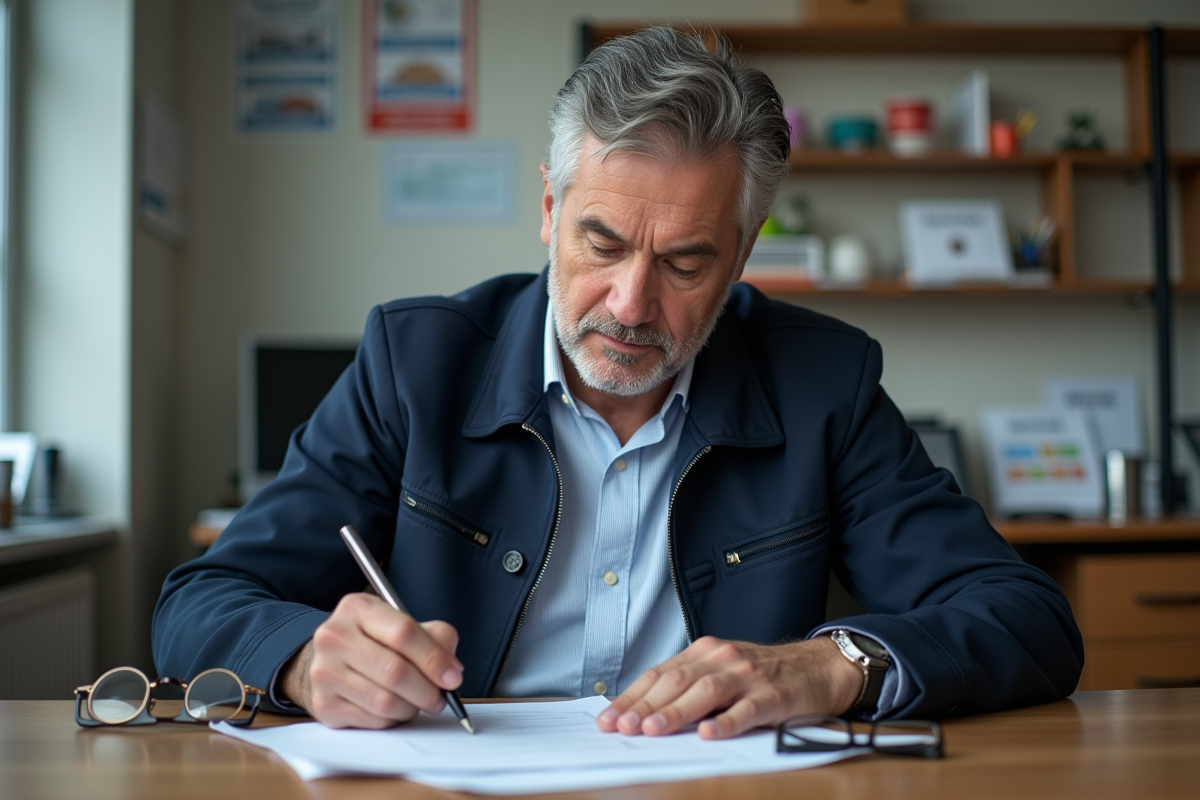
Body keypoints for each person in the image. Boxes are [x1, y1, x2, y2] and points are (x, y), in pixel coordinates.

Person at [154, 27, 1082, 739]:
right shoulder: (415, 362)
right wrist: (305, 661)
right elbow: (202, 601)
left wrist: (834, 666)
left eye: (685, 263)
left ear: (745, 255)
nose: (631, 304)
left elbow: (1028, 620)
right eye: (602, 244)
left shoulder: (822, 383)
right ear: (551, 207)